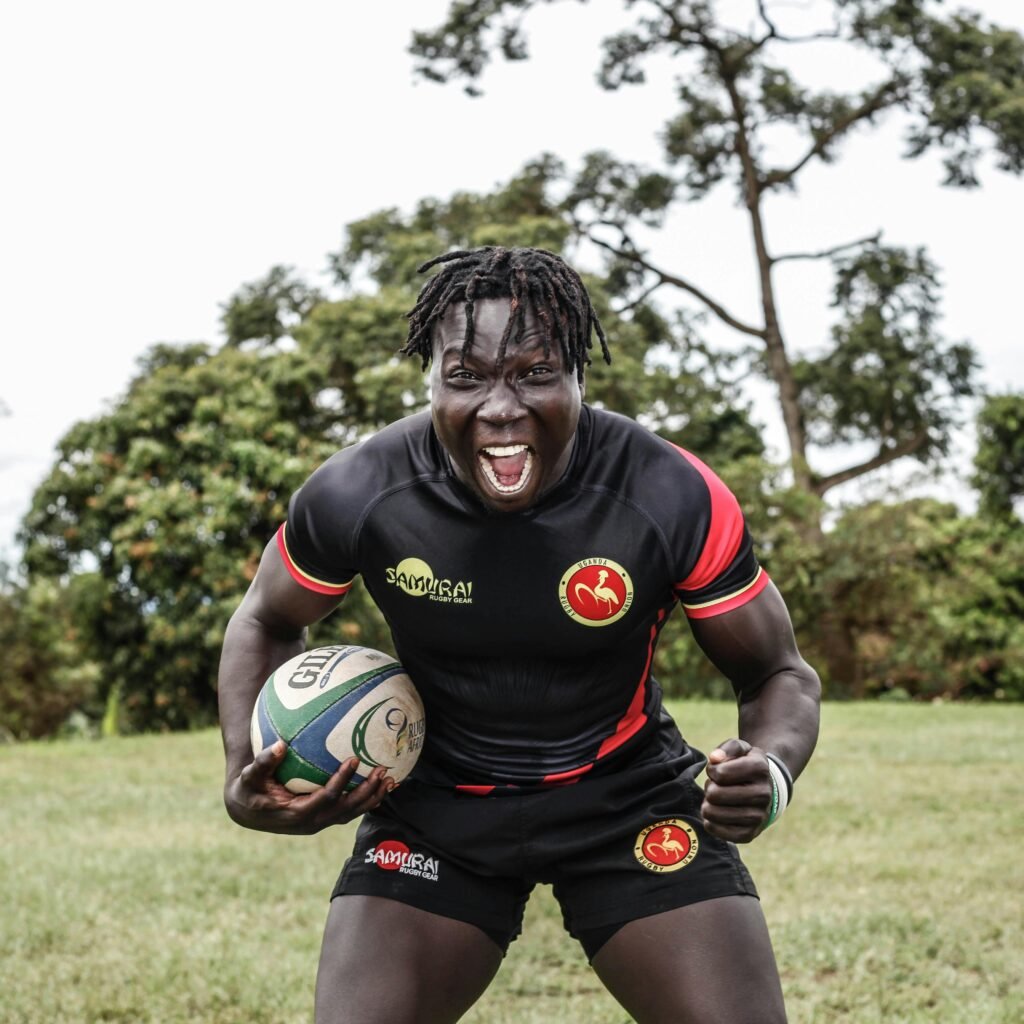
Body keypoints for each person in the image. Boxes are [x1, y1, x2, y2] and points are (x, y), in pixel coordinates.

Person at [218, 246, 820, 1024]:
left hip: (626, 798)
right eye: (466, 376)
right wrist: (246, 769)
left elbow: (777, 672)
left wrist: (769, 769)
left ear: (578, 377)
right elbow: (266, 617)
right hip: (437, 807)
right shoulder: (360, 491)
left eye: (534, 372)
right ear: (431, 380)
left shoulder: (670, 492)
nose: (501, 407)